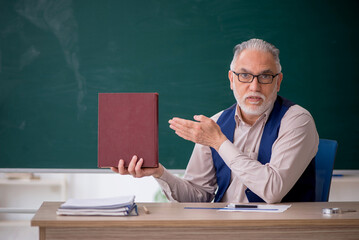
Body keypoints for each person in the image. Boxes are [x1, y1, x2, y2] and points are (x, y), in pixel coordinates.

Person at [111, 38, 319, 203]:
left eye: (265, 77)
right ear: (231, 80)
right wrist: (160, 173)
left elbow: (273, 190)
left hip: (283, 230)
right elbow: (198, 195)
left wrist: (219, 142)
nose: (254, 87)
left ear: (278, 82)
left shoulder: (297, 120)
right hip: (223, 227)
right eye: (244, 76)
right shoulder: (217, 123)